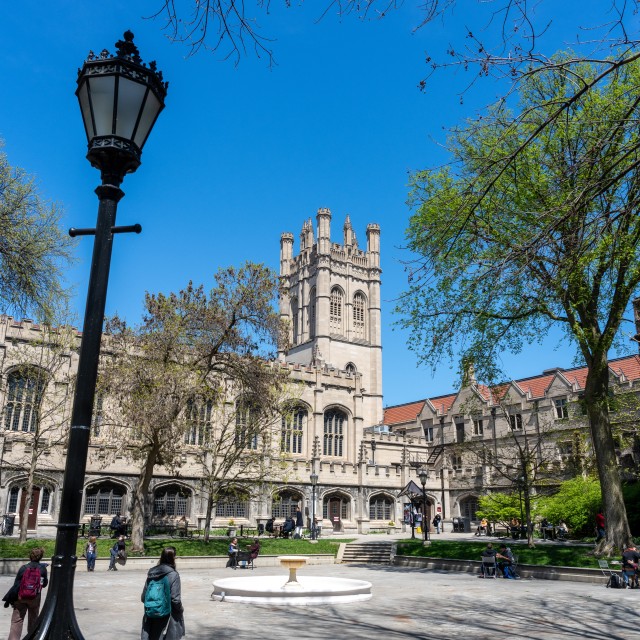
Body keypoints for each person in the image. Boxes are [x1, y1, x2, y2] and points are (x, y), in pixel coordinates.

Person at [141, 546, 185, 640]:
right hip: (166, 616)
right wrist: (180, 609)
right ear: (173, 558)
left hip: (150, 614)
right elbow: (175, 599)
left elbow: (143, 597)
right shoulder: (173, 575)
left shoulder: (152, 573)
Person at [5, 547, 48, 640]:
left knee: (17, 621)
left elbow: (16, 585)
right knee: (33, 620)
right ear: (41, 557)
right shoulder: (42, 569)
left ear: (30, 556)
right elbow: (44, 584)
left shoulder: (23, 568)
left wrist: (12, 599)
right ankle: (32, 638)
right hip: (35, 597)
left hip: (21, 597)